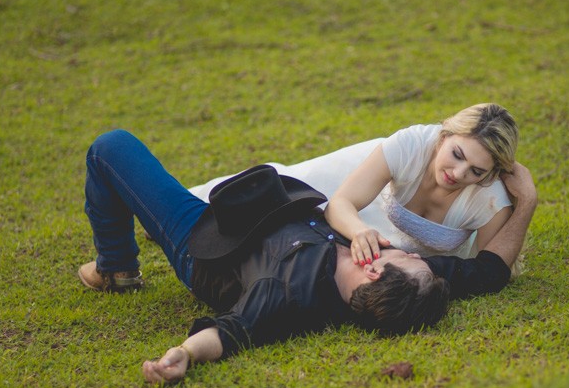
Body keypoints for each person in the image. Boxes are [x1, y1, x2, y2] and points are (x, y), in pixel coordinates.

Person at [78, 129, 536, 385]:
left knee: (110, 149)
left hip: (205, 240)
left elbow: (232, 331)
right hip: (272, 203)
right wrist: (527, 201)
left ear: (373, 271)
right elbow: (491, 272)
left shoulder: (286, 295)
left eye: (403, 257)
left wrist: (182, 355)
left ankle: (115, 266)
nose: (412, 253)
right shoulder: (412, 282)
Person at [188, 104, 520, 269]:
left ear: (489, 174)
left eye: (476, 170)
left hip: (394, 240)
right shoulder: (410, 145)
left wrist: (528, 200)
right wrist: (359, 230)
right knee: (289, 180)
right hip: (370, 188)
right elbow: (341, 202)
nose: (459, 173)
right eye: (456, 154)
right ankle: (195, 204)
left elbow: (487, 270)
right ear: (445, 135)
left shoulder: (490, 198)